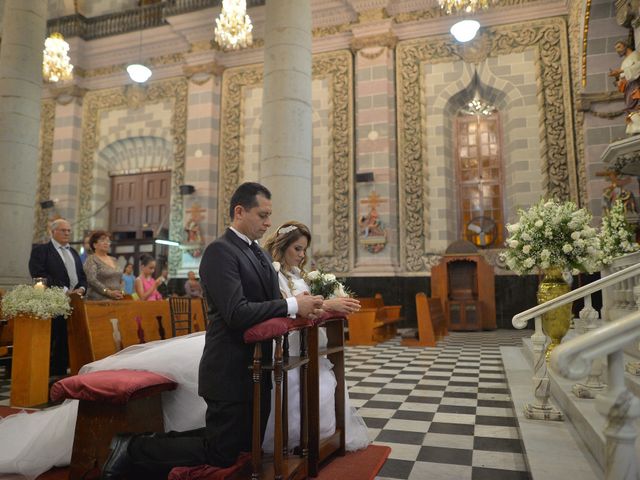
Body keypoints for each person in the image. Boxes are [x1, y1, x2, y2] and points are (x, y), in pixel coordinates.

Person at [101, 182, 324, 479]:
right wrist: (293, 306)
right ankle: (134, 448)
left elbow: (269, 301)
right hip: (229, 367)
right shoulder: (220, 251)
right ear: (239, 211)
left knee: (243, 443)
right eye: (263, 214)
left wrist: (298, 303)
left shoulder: (257, 253)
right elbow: (236, 312)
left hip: (259, 365)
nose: (269, 222)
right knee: (221, 453)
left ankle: (144, 443)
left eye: (270, 215)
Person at [262, 221, 369, 452]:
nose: (302, 255)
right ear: (282, 246)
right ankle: (294, 439)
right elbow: (286, 307)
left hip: (310, 345)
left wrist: (333, 305)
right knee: (297, 393)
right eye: (297, 249)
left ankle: (320, 437)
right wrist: (329, 303)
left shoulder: (299, 275)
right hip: (288, 347)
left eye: (304, 249)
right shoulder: (273, 272)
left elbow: (311, 306)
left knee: (324, 388)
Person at [28, 218, 87, 376]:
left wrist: (81, 288)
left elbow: (82, 275)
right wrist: (65, 290)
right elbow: (39, 273)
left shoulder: (73, 251)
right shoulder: (41, 250)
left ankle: (65, 370)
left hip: (75, 301)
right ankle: (51, 373)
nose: (67, 233)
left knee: (69, 338)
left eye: (69, 230)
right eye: (63, 230)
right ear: (53, 231)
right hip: (54, 302)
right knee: (56, 338)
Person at [609, 39, 640, 133]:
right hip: (628, 89)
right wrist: (618, 80)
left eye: (619, 47)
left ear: (626, 45)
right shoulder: (624, 62)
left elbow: (638, 67)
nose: (617, 50)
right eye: (616, 49)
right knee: (630, 108)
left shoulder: (635, 55)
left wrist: (621, 71)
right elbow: (624, 77)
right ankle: (636, 125)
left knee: (633, 106)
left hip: (635, 85)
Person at [84, 231, 124, 301]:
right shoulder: (91, 259)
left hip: (116, 299)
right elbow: (91, 280)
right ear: (94, 245)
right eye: (102, 240)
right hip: (98, 301)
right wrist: (108, 292)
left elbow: (120, 278)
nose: (106, 243)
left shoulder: (114, 259)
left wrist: (121, 291)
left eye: (108, 241)